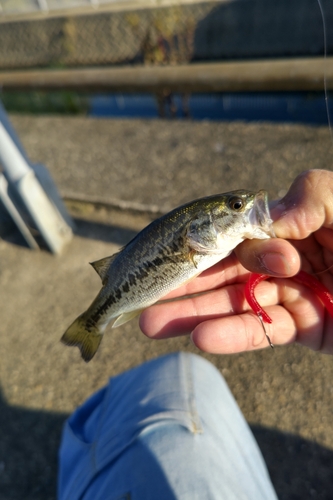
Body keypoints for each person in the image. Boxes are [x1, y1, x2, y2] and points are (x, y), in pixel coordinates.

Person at [58, 169, 333, 499]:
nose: (244, 206)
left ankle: (92, 325)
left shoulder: (212, 242)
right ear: (197, 229)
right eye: (235, 206)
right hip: (125, 290)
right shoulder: (195, 244)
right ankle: (92, 325)